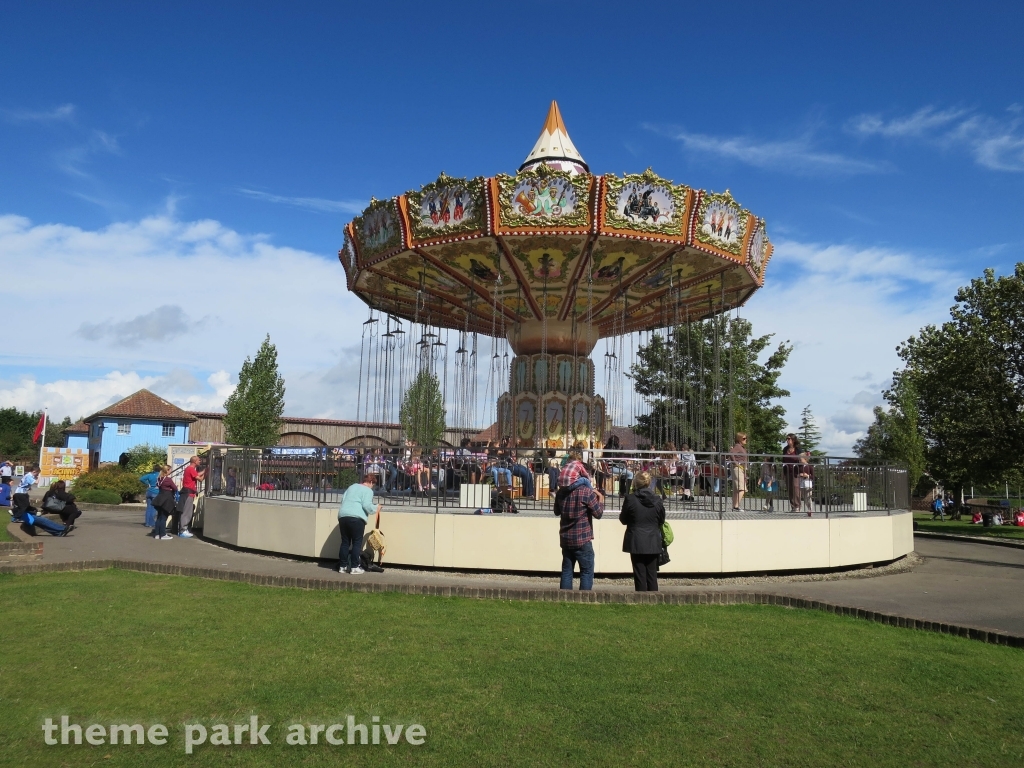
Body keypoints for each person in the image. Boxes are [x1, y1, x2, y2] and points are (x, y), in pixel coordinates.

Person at [553, 457, 605, 590]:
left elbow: (556, 511)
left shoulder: (561, 492)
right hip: (582, 539)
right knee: (586, 571)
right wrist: (601, 499)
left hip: (566, 538)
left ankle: (564, 600)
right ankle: (584, 600)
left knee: (566, 571)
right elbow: (598, 514)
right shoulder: (586, 492)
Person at [618, 470, 666, 592]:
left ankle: (641, 599)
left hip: (636, 539)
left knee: (639, 573)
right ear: (649, 483)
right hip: (653, 539)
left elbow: (623, 519)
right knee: (652, 574)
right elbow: (661, 520)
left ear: (635, 483)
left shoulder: (630, 499)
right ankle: (653, 600)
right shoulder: (657, 500)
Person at [337, 472, 381, 575]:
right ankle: (354, 567)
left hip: (343, 516)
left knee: (345, 542)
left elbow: (343, 500)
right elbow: (367, 506)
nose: (372, 487)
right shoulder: (368, 490)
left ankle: (342, 566)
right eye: (373, 484)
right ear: (370, 482)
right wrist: (377, 508)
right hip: (357, 518)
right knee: (357, 542)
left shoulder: (352, 487)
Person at [176, 455, 205, 538]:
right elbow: (200, 479)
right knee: (186, 512)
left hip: (188, 493)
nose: (200, 461)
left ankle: (184, 529)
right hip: (188, 493)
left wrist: (204, 472)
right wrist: (206, 472)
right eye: (199, 460)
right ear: (195, 461)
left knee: (187, 512)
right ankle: (183, 530)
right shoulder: (191, 469)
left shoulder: (190, 469)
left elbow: (197, 475)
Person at [152, 465, 177, 540]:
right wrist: (171, 489)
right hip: (167, 499)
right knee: (164, 518)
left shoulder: (159, 478)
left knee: (159, 517)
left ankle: (157, 534)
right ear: (167, 470)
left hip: (160, 498)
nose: (171, 471)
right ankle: (163, 534)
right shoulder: (168, 479)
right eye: (170, 470)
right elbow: (175, 488)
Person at [782, 434, 803, 512]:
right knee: (789, 488)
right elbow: (783, 461)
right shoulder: (785, 449)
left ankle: (797, 505)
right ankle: (793, 506)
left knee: (796, 488)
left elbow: (802, 460)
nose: (787, 440)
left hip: (796, 472)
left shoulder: (798, 449)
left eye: (789, 439)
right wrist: (783, 473)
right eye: (787, 439)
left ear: (793, 440)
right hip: (787, 471)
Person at [730, 433, 749, 511]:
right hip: (738, 468)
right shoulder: (738, 447)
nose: (745, 440)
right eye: (744, 438)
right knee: (742, 488)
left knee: (737, 489)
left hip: (740, 468)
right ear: (739, 439)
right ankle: (736, 506)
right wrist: (735, 463)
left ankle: (735, 506)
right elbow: (731, 453)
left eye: (746, 438)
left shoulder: (741, 447)